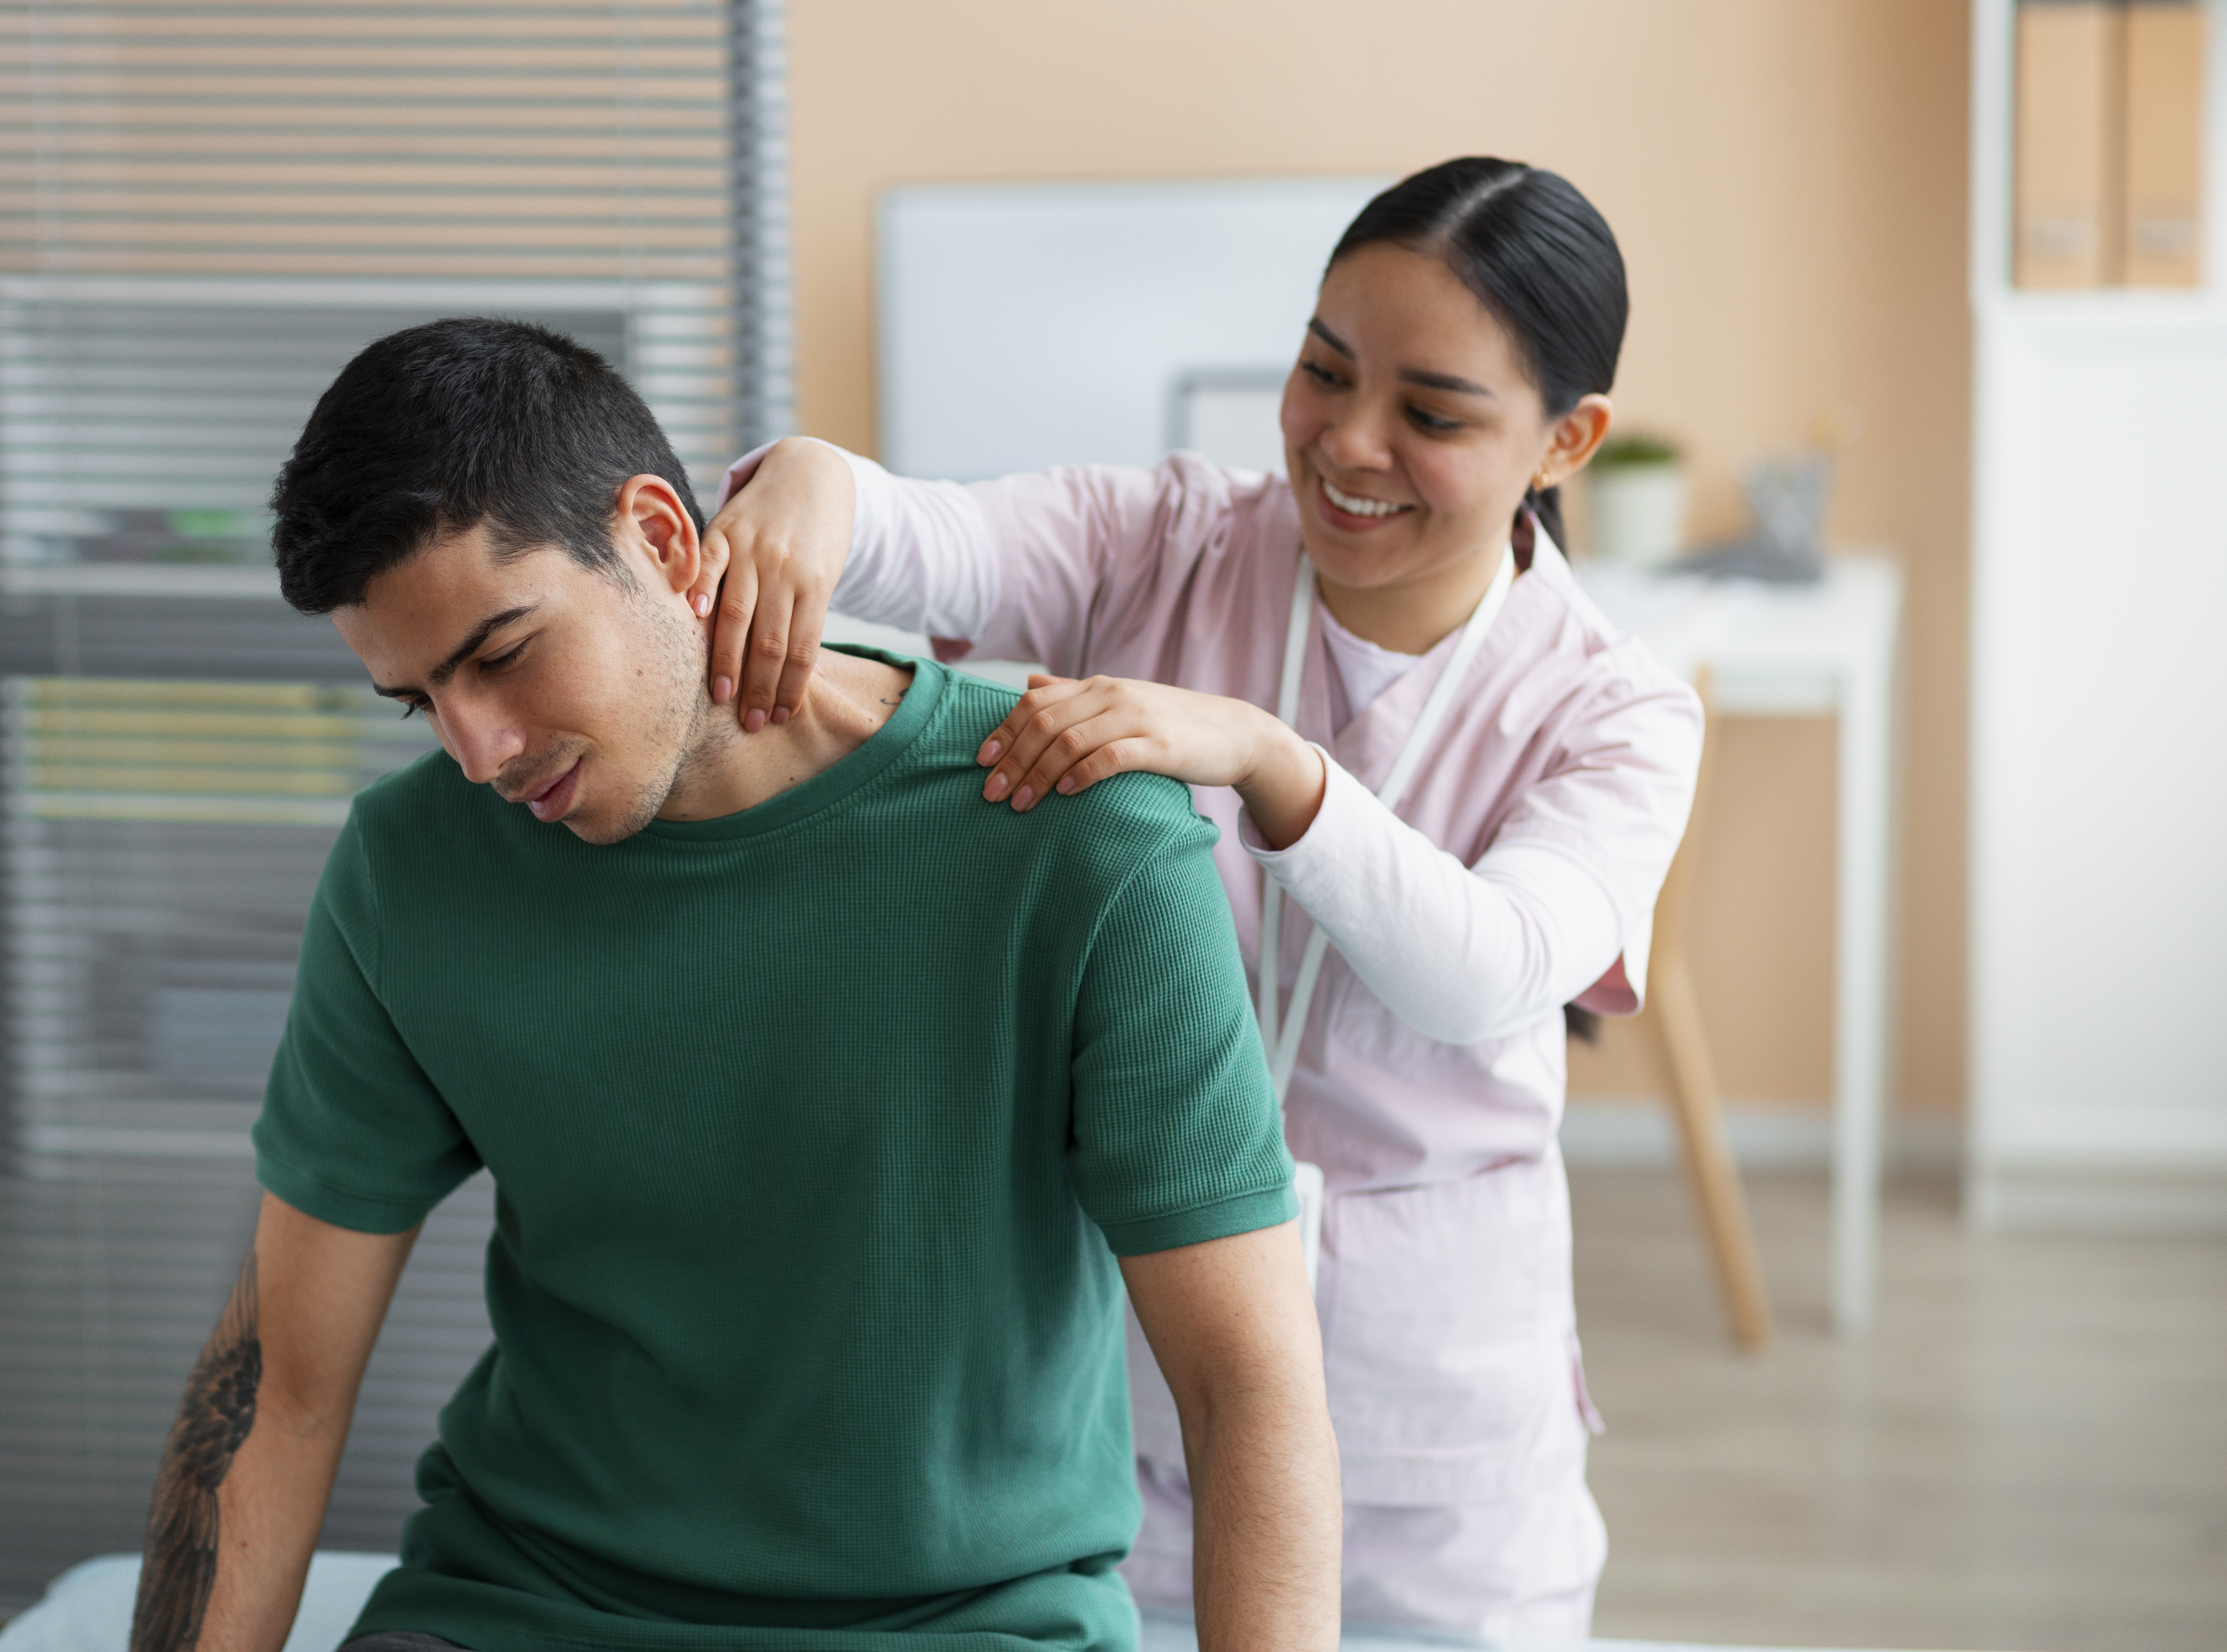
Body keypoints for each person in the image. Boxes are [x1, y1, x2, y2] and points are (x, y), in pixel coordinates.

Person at [126, 318, 1343, 1652]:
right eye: (419, 700)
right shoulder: (407, 870)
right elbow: (280, 1384)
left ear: (659, 536)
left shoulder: (1078, 839)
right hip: (520, 1607)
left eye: (501, 652)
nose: (479, 749)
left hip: (958, 1624)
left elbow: (1246, 1389)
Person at [698, 157, 1703, 1643]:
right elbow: (936, 536)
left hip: (1429, 1435)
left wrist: (1264, 760)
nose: (1347, 443)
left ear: (1567, 438)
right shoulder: (1166, 538)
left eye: (1429, 413)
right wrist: (812, 482)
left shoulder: (1613, 709)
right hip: (1126, 1389)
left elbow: (1488, 973)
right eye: (1319, 370)